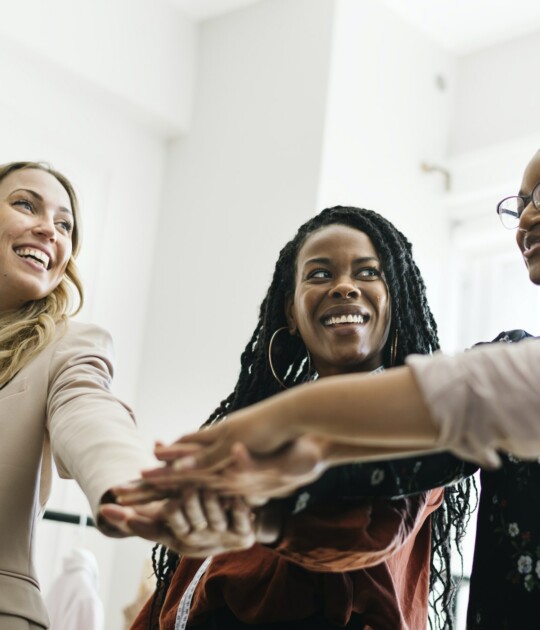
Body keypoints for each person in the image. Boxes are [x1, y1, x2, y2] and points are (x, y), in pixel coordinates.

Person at [127, 150, 540, 629]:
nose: (345, 288)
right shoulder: (504, 371)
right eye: (320, 274)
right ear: (289, 309)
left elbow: (361, 525)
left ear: (398, 299)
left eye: (368, 272)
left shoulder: (435, 418)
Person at [0, 161, 158, 630]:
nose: (50, 229)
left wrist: (131, 484)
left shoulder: (69, 347)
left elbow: (90, 413)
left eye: (65, 224)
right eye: (26, 204)